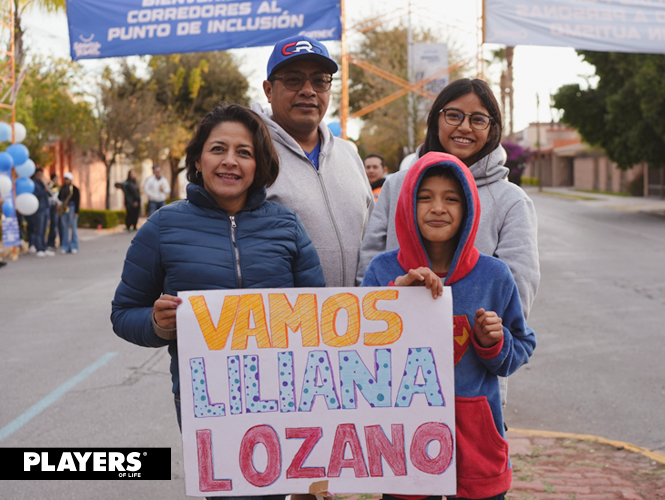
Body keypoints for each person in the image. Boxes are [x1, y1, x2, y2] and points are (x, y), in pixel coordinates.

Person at [111, 105, 325, 500]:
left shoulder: (287, 225)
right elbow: (123, 314)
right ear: (197, 159)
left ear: (259, 163)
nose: (230, 161)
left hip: (284, 394)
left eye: (244, 152)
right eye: (218, 149)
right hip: (205, 398)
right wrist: (158, 325)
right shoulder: (163, 226)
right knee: (229, 493)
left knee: (279, 493)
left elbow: (320, 315)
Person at [361, 152, 536, 500]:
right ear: (406, 205)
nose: (437, 208)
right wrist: (396, 305)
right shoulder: (382, 274)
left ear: (469, 208)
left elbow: (521, 348)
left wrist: (494, 344)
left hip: (477, 448)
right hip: (405, 443)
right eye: (424, 197)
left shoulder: (493, 275)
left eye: (451, 199)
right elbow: (361, 360)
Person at [356, 79, 539, 320]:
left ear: (492, 129)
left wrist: (490, 342)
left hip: (473, 346)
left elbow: (517, 290)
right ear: (434, 120)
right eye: (454, 116)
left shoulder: (512, 201)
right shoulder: (397, 185)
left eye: (478, 119)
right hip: (398, 337)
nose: (464, 127)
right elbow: (368, 267)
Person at [252, 34, 373, 287]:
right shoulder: (250, 153)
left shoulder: (349, 154)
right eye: (294, 80)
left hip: (357, 318)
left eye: (320, 81)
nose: (308, 91)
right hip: (285, 320)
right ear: (268, 90)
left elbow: (372, 239)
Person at [28, 168, 54, 257]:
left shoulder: (42, 183)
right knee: (38, 230)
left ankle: (44, 247)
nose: (40, 176)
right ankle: (39, 248)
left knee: (44, 230)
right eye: (39, 174)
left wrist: (49, 188)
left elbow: (50, 194)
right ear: (35, 174)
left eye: (41, 174)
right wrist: (44, 191)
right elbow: (35, 194)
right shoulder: (33, 183)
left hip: (46, 208)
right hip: (38, 209)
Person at [58, 172, 80, 254]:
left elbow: (78, 200)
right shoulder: (63, 188)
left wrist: (76, 211)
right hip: (64, 208)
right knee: (65, 228)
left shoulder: (75, 189)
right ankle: (65, 246)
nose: (66, 181)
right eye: (65, 179)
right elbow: (60, 197)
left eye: (67, 179)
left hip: (72, 208)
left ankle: (74, 246)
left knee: (73, 228)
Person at [46, 173, 61, 250]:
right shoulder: (49, 186)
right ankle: (49, 243)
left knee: (55, 226)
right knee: (51, 226)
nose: (57, 180)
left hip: (56, 207)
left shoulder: (57, 187)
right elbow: (49, 197)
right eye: (56, 179)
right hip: (50, 207)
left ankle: (53, 242)